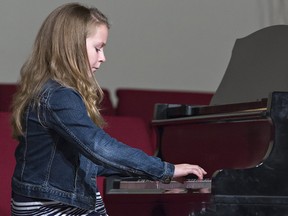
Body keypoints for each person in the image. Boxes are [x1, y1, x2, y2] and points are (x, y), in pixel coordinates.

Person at [10, 3, 207, 216]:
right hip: (48, 206)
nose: (103, 57)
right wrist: (165, 170)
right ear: (72, 46)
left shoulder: (52, 90)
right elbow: (98, 147)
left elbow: (89, 159)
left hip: (46, 199)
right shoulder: (59, 95)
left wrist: (149, 173)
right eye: (98, 48)